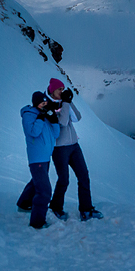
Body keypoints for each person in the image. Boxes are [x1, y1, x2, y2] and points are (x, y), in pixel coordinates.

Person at [45, 78, 103, 222]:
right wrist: (65, 103)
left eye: (63, 89)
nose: (62, 92)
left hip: (74, 146)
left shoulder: (63, 103)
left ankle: (86, 209)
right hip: (59, 149)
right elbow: (63, 122)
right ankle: (55, 207)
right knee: (64, 179)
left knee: (84, 175)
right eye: (60, 89)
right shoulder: (48, 106)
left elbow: (77, 117)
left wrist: (69, 102)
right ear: (53, 90)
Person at [16, 91, 61, 229]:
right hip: (37, 158)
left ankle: (23, 204)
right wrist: (41, 118)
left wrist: (53, 120)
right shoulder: (29, 115)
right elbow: (33, 132)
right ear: (36, 103)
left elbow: (56, 134)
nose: (44, 105)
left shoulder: (45, 115)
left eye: (45, 102)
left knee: (36, 182)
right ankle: (37, 222)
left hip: (45, 157)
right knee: (44, 191)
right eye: (42, 103)